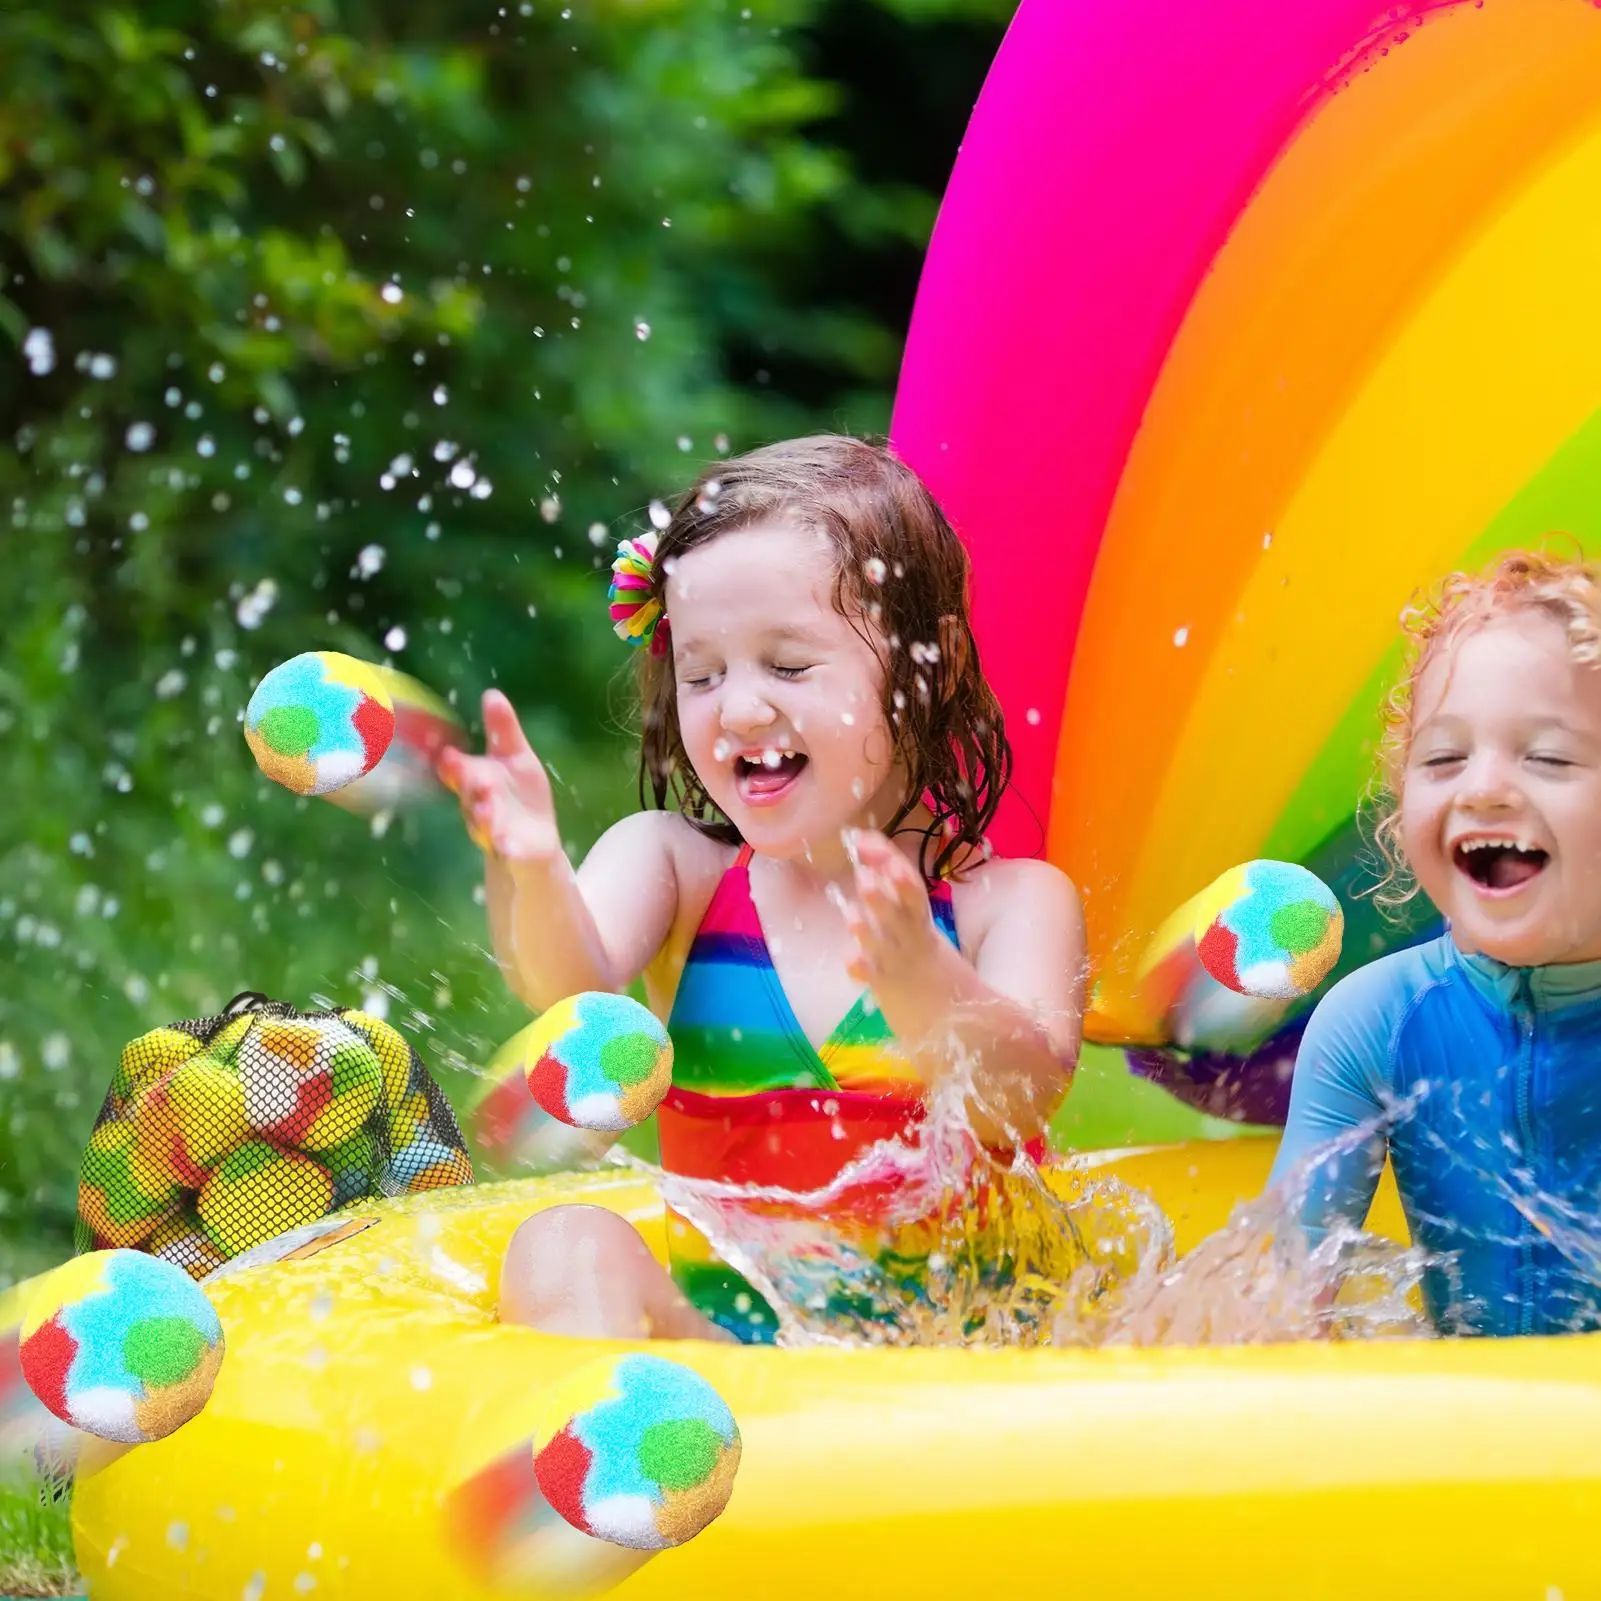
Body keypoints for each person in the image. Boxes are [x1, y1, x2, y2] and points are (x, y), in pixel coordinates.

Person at [440, 436, 1085, 1343]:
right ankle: (624, 1456)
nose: (738, 709)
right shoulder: (677, 869)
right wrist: (532, 864)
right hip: (734, 1385)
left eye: (787, 665)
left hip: (951, 1399)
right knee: (559, 1242)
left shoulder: (1007, 905)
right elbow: (566, 993)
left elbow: (1018, 1097)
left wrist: (921, 981)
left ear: (923, 665)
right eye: (703, 673)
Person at [1270, 550, 1601, 1336]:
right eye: (1443, 758)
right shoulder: (1375, 1022)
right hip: (1467, 1453)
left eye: (1547, 756)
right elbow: (1279, 1315)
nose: (1480, 788)